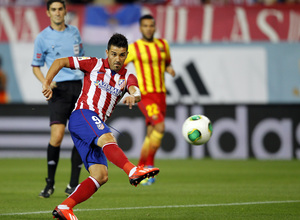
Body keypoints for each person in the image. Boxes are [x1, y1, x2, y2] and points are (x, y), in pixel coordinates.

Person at [42, 33, 160, 220]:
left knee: (101, 175)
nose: (117, 59)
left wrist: (133, 96)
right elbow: (60, 61)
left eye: (122, 55)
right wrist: (47, 82)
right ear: (107, 52)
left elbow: (136, 91)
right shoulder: (93, 63)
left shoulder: (127, 76)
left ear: (126, 55)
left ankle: (65, 207)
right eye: (113, 54)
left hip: (91, 125)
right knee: (108, 138)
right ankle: (132, 171)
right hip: (83, 115)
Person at [31, 0, 83, 198]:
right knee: (57, 136)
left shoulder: (74, 32)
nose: (58, 12)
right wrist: (46, 81)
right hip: (58, 89)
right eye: (53, 9)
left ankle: (73, 184)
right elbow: (36, 65)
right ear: (47, 13)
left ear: (65, 11)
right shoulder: (42, 37)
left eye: (60, 9)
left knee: (79, 136)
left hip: (78, 87)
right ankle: (50, 183)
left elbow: (81, 60)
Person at [124, 14, 176, 185]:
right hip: (145, 95)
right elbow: (119, 65)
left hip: (161, 94)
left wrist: (169, 69)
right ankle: (150, 167)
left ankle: (140, 168)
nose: (148, 28)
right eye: (145, 26)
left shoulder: (163, 45)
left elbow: (167, 62)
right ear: (140, 28)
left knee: (151, 133)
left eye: (151, 25)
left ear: (155, 27)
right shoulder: (135, 48)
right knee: (160, 127)